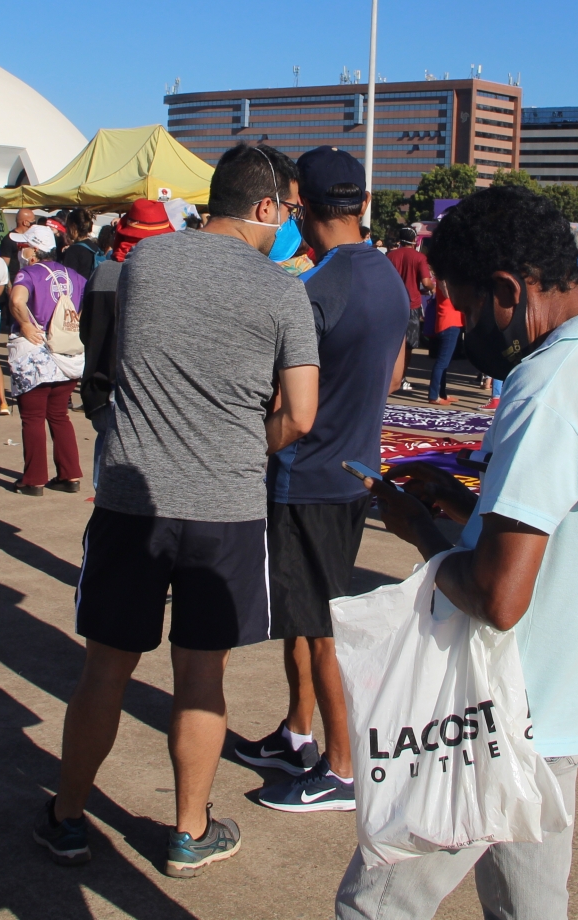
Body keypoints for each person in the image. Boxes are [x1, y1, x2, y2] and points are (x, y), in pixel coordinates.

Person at [346, 184, 578, 918]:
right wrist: (470, 506)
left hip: (497, 711)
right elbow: (574, 526)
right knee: (529, 905)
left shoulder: (550, 386)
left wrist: (419, 530)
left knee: (376, 906)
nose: (465, 327)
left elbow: (499, 598)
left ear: (508, 290)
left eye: (468, 308)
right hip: (571, 702)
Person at [37, 143, 319, 878]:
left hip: (133, 497)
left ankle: (68, 817)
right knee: (201, 677)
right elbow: (301, 414)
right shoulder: (284, 292)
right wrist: (244, 443)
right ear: (265, 207)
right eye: (289, 208)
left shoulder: (146, 263)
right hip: (226, 507)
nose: (291, 221)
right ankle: (189, 831)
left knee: (105, 668)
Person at [235, 147, 409, 814]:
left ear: (300, 207)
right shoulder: (390, 277)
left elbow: (289, 409)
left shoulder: (309, 290)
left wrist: (244, 450)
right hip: (355, 468)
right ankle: (297, 732)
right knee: (306, 615)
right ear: (363, 203)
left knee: (318, 625)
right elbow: (394, 375)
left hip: (306, 477)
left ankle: (341, 767)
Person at [6, 223, 87, 494]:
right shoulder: (73, 275)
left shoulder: (28, 273)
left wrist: (25, 324)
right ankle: (70, 475)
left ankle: (34, 479)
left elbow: (17, 300)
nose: (21, 250)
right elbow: (86, 303)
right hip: (66, 355)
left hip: (35, 353)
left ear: (34, 251)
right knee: (59, 415)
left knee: (32, 417)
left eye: (24, 246)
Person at [78, 200, 173, 427]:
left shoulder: (102, 272)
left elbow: (86, 332)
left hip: (101, 389)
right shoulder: (167, 279)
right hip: (150, 395)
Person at [386, 227, 435, 393]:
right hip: (411, 305)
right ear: (414, 240)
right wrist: (433, 289)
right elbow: (426, 282)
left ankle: (389, 377)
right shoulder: (419, 257)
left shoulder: (390, 256)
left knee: (391, 343)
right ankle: (401, 378)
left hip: (392, 305)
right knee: (409, 345)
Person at [426, 274, 462, 404]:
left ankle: (442, 393)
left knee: (445, 362)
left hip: (450, 323)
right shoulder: (445, 280)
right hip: (449, 323)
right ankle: (434, 395)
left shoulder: (446, 279)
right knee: (442, 362)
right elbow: (449, 295)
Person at [58, 208, 104, 279]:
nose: (66, 230)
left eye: (67, 226)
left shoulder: (73, 251)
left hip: (80, 286)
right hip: (92, 285)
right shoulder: (95, 248)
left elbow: (68, 279)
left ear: (73, 226)